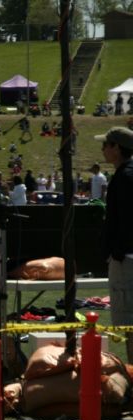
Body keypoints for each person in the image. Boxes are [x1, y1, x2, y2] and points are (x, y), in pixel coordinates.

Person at [97, 126, 133, 362]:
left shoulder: (124, 177)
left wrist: (116, 251)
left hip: (127, 260)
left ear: (116, 148)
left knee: (129, 325)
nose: (102, 150)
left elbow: (126, 219)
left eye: (106, 145)